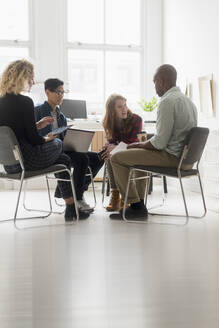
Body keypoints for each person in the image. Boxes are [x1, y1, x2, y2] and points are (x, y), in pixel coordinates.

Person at [0, 59, 89, 221]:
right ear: (22, 77)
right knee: (59, 142)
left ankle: (71, 208)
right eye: (31, 77)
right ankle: (71, 206)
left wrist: (37, 125)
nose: (33, 82)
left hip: (10, 164)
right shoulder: (25, 102)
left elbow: (14, 133)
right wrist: (48, 139)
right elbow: (34, 140)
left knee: (63, 160)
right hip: (28, 160)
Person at [109, 64, 198, 220]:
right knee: (141, 155)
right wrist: (142, 146)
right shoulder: (188, 101)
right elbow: (164, 139)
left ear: (162, 81)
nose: (155, 87)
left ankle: (135, 206)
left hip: (172, 158)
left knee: (116, 158)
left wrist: (137, 145)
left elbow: (160, 143)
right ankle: (140, 203)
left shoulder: (167, 101)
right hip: (187, 160)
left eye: (154, 82)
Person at [35, 78, 104, 212]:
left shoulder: (61, 116)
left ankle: (76, 190)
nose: (61, 96)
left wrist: (74, 141)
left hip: (62, 149)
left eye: (63, 92)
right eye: (58, 92)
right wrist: (47, 137)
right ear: (47, 92)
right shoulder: (37, 111)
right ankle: (77, 197)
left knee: (98, 157)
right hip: (49, 151)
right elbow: (33, 135)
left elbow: (63, 138)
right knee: (82, 159)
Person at [101, 94, 142, 211]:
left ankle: (125, 196)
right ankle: (115, 195)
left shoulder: (136, 119)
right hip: (119, 152)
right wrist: (108, 146)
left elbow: (133, 143)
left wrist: (114, 147)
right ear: (112, 110)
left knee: (114, 155)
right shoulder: (108, 122)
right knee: (109, 155)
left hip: (134, 151)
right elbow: (112, 141)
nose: (124, 109)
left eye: (125, 105)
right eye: (120, 107)